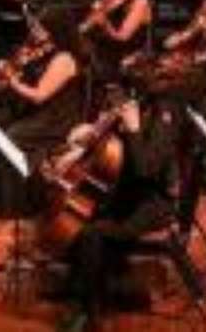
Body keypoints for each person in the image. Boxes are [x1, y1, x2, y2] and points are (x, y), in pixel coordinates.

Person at [58, 96, 191, 330]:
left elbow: (145, 169)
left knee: (91, 234)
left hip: (152, 206)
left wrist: (133, 129)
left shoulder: (166, 114)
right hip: (126, 198)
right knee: (77, 226)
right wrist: (87, 141)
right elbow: (109, 149)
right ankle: (85, 301)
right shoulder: (137, 103)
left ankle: (89, 312)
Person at [0, 5, 83, 217]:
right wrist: (9, 70)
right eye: (36, 26)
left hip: (56, 119)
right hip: (37, 113)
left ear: (56, 30)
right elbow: (6, 85)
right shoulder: (42, 51)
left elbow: (39, 95)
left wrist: (12, 81)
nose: (35, 31)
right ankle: (6, 194)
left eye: (41, 28)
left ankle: (20, 205)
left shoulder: (64, 59)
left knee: (11, 139)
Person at [80, 0, 153, 84]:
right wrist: (81, 28)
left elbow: (123, 37)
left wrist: (105, 23)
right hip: (102, 45)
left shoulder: (139, 0)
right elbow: (89, 23)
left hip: (122, 52)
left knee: (83, 54)